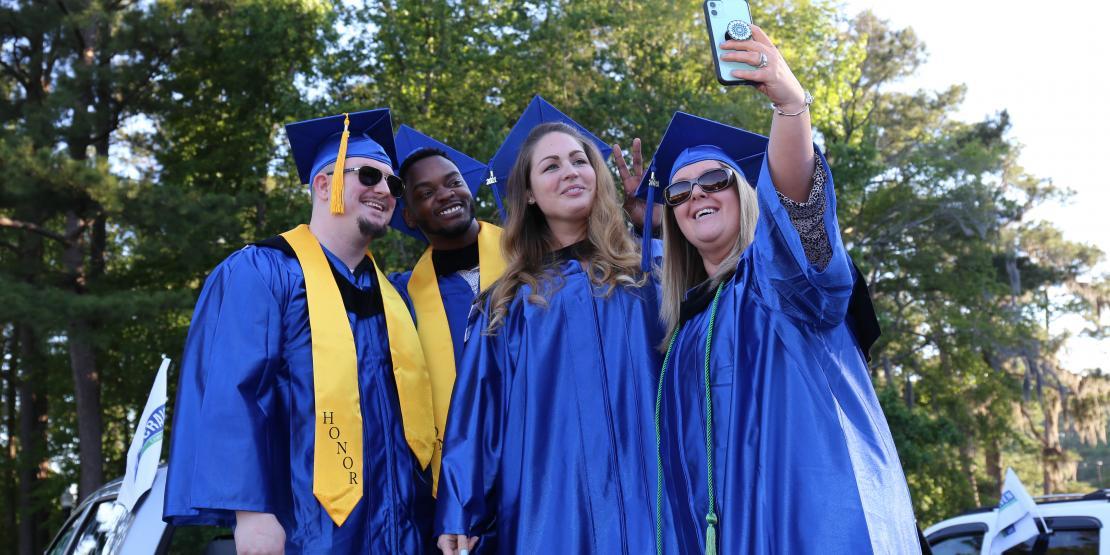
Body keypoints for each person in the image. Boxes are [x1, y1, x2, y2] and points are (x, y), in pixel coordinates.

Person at [634, 25, 920, 553]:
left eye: (716, 181)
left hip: (818, 529)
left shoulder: (774, 284)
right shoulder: (684, 334)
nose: (698, 192)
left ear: (746, 196)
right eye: (679, 191)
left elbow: (795, 205)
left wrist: (791, 107)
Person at [163, 109, 438, 554]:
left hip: (400, 531)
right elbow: (233, 394)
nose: (385, 190)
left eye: (394, 184)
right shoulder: (263, 272)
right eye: (368, 175)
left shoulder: (394, 300)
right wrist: (251, 514)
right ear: (324, 185)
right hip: (304, 532)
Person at [434, 96, 664, 554]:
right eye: (552, 166)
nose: (571, 172)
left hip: (653, 501)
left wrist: (658, 227)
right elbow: (478, 420)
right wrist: (460, 511)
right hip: (553, 507)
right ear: (532, 194)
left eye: (580, 161)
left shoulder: (651, 275)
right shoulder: (506, 305)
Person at [389, 125, 507, 496]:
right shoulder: (400, 297)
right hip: (456, 484)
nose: (445, 195)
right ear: (408, 215)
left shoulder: (533, 260)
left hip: (541, 461)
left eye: (453, 182)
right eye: (425, 193)